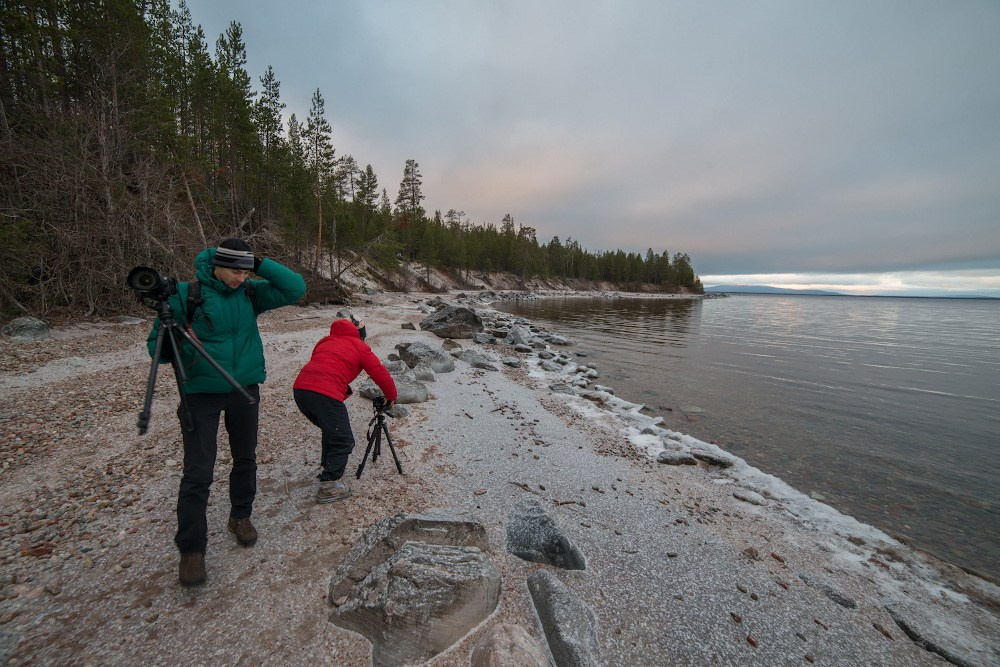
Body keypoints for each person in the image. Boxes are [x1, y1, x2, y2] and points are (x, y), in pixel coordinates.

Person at [146, 238, 305, 587]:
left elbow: (296, 288)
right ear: (217, 265)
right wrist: (175, 344)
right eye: (235, 271)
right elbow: (156, 347)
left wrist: (257, 263)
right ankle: (191, 549)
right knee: (198, 473)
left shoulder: (250, 294)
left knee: (245, 458)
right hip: (200, 393)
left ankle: (240, 516)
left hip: (244, 389)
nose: (240, 278)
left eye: (245, 273)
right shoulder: (187, 294)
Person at [293, 315, 398, 503]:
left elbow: (326, 367)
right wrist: (391, 397)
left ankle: (327, 466)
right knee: (343, 439)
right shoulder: (359, 346)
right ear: (360, 333)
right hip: (325, 393)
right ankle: (329, 486)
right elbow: (380, 374)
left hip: (301, 391)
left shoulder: (324, 342)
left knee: (331, 430)